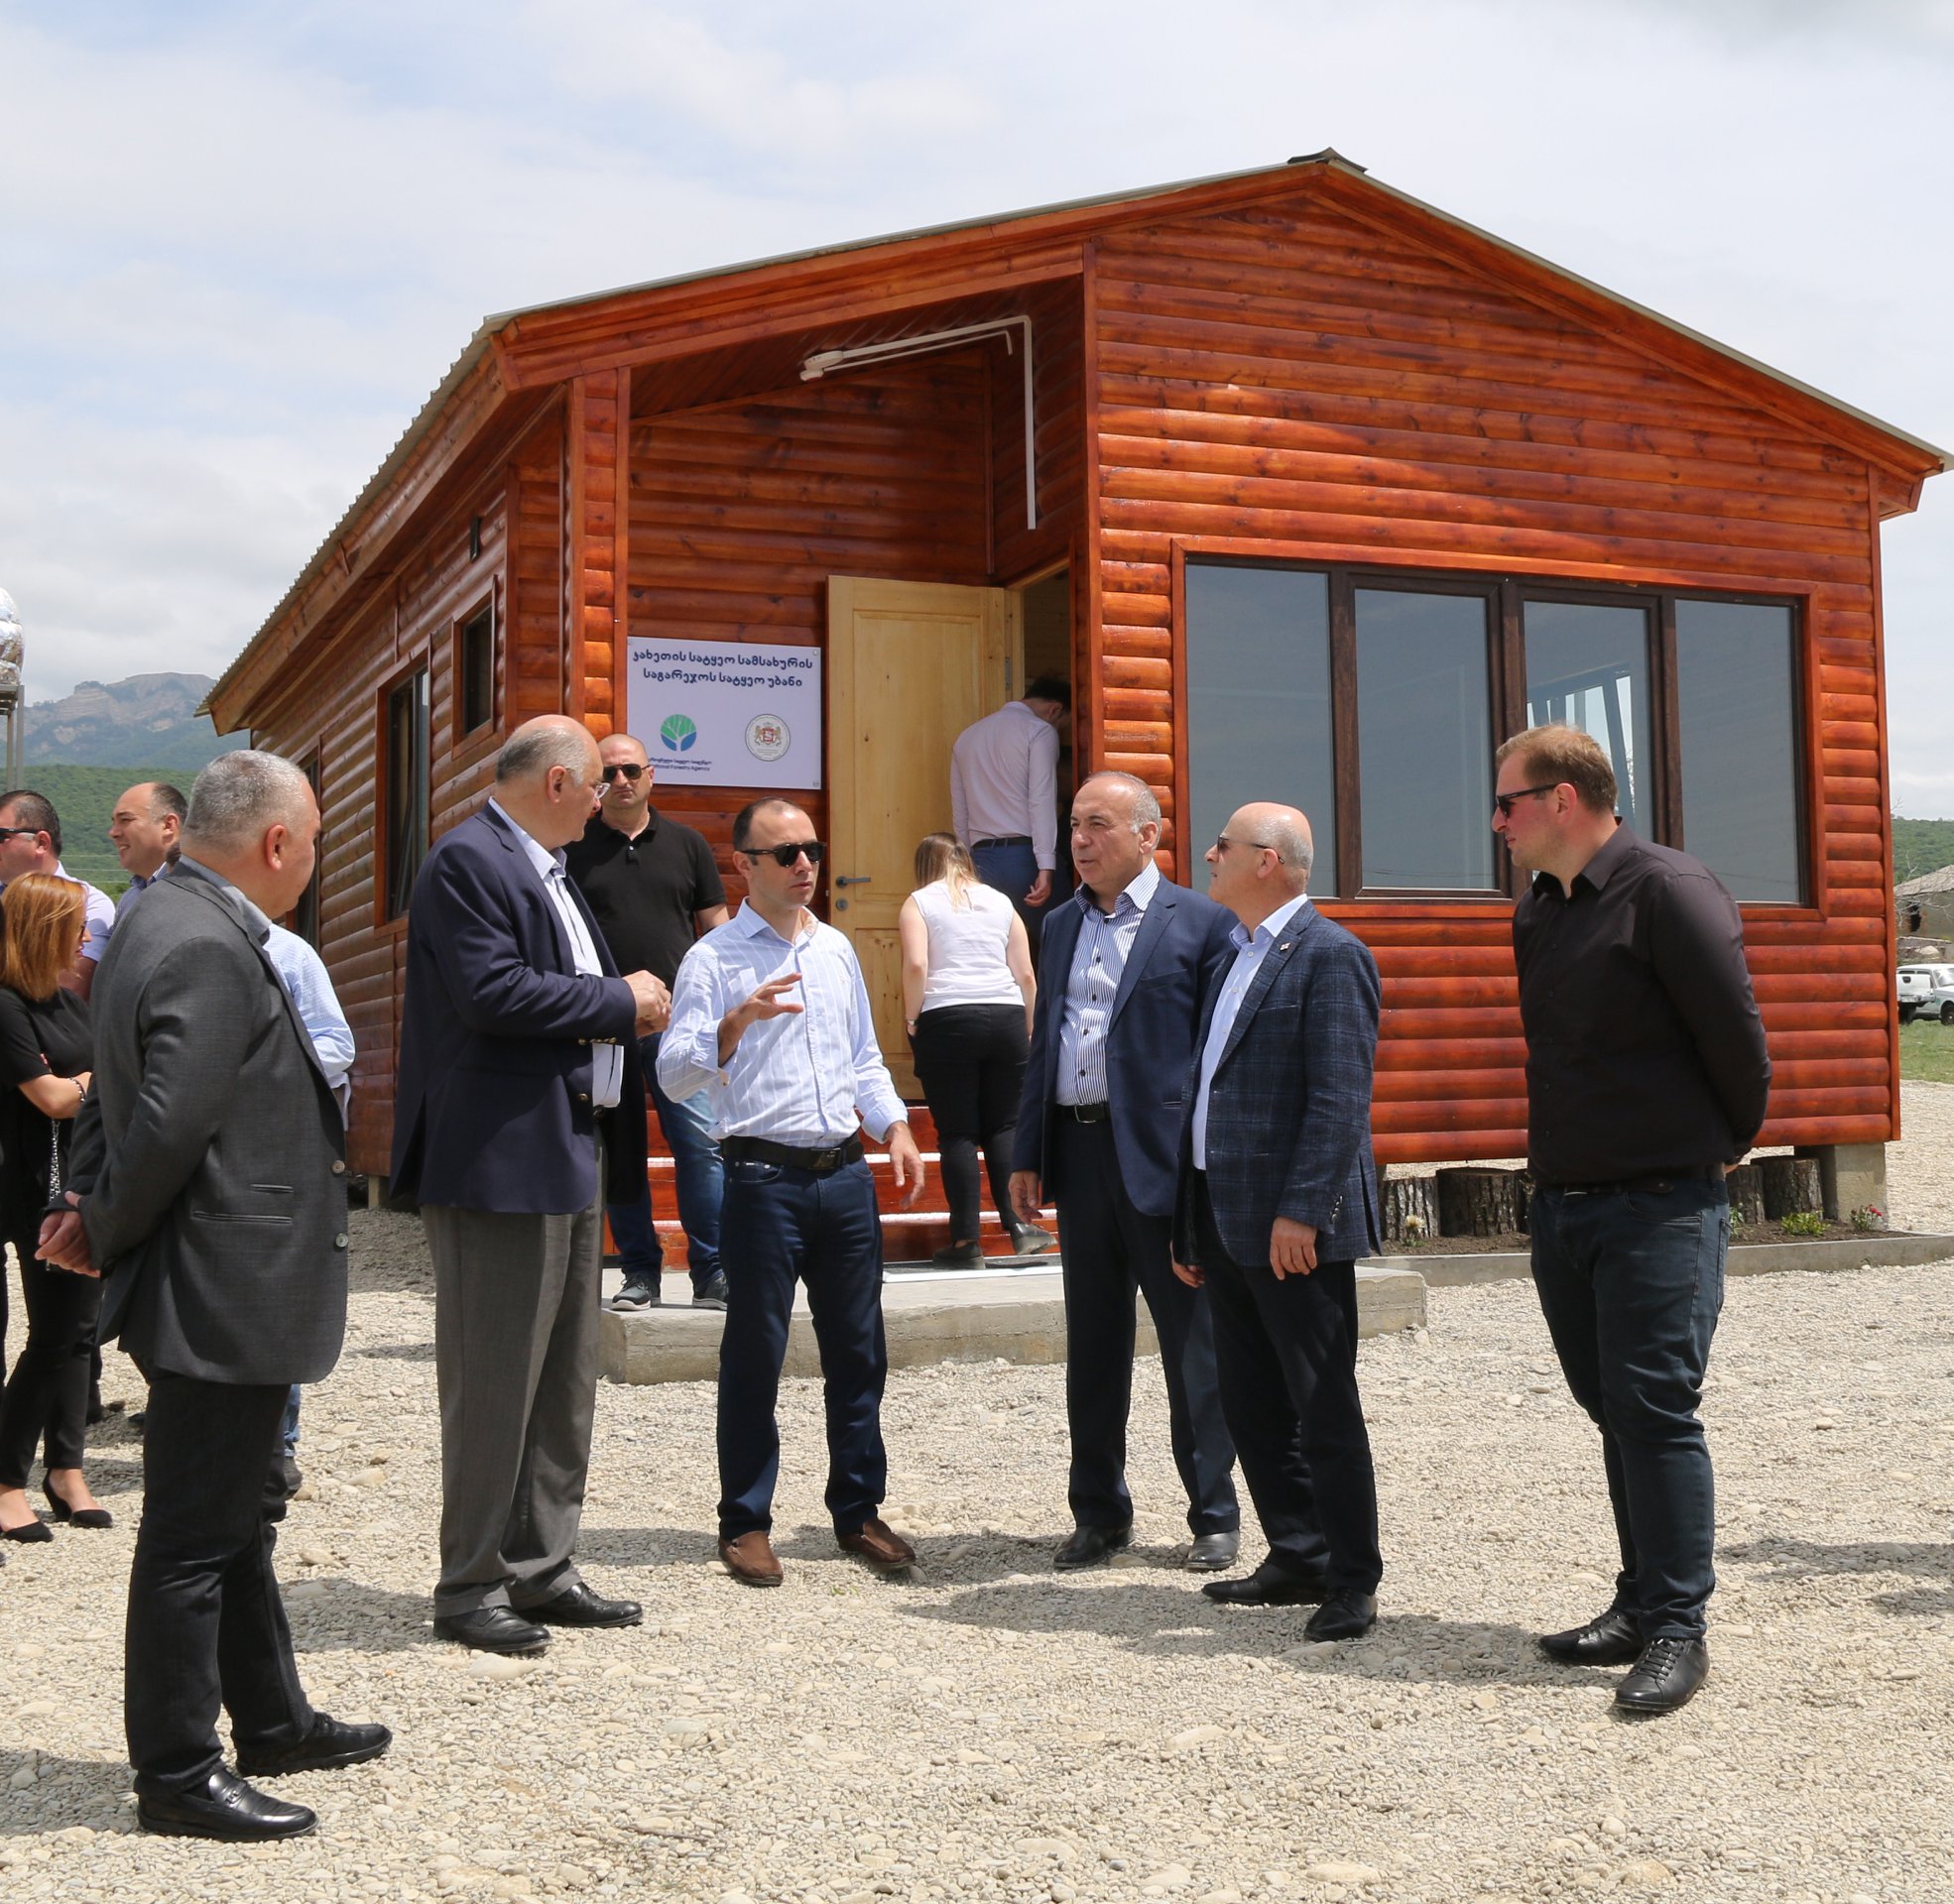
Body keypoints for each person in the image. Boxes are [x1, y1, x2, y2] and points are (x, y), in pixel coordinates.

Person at [39, 750, 388, 1843]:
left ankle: (272, 1719)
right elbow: (169, 1120)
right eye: (316, 840)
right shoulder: (204, 939)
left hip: (210, 1272)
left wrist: (90, 1204)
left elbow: (118, 1094)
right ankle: (180, 1772)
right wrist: (102, 1220)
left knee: (235, 1517)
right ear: (277, 843)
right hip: (222, 1278)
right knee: (194, 1537)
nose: (317, 858)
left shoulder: (159, 914)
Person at [1494, 723, 1770, 1717]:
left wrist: (1724, 1139)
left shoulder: (1667, 891)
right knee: (1609, 1404)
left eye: (1507, 803)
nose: (1498, 823)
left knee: (1653, 1408)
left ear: (1561, 800)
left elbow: (1735, 1037)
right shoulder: (1539, 909)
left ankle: (1677, 1629)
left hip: (1659, 1205)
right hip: (1565, 1205)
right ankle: (1640, 1599)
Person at [392, 716, 667, 1657]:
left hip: (566, 1144)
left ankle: (541, 1567)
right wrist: (622, 1000)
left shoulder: (545, 867)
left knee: (561, 1377)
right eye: (596, 785)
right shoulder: (470, 861)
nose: (604, 801)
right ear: (557, 782)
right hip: (498, 1158)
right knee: (494, 1382)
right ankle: (469, 1586)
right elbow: (494, 992)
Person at [659, 798, 925, 1588]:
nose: (805, 864)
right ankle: (745, 1521)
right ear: (744, 865)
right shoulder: (713, 960)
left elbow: (864, 1058)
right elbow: (672, 1074)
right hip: (761, 1179)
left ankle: (858, 1511)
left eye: (812, 848)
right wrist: (732, 1027)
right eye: (786, 854)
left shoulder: (836, 949)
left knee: (859, 1351)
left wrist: (894, 1126)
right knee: (755, 1352)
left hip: (843, 1175)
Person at [1008, 771, 1242, 1572]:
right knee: (1094, 1344)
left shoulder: (1201, 923)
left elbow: (1216, 1056)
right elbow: (1047, 1039)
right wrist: (1028, 1152)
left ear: (1148, 835)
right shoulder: (1059, 924)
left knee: (1192, 1347)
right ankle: (1099, 1513)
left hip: (1163, 1163)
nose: (1080, 840)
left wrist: (1205, 1171)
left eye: (1097, 825)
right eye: (1074, 825)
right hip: (1078, 1155)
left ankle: (1214, 1513)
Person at [1171, 805, 1385, 1642]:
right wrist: (1190, 1221)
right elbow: (1209, 1093)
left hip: (1291, 1227)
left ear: (1266, 861)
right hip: (1225, 1217)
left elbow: (1339, 1098)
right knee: (1252, 1402)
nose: (1208, 855)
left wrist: (1303, 1210)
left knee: (1321, 1404)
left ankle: (1353, 1578)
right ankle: (1298, 1552)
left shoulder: (1331, 955)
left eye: (1222, 845)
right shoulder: (1236, 953)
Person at [565, 730, 730, 1311]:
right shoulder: (574, 848)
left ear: (650, 775)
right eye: (608, 772)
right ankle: (639, 1272)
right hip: (604, 1026)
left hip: (679, 1028)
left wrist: (723, 1014)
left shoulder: (687, 844)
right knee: (622, 1151)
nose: (621, 781)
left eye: (631, 770)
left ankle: (712, 1272)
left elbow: (718, 930)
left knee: (701, 1147)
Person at [0, 875, 107, 1541]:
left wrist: (81, 1084)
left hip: (74, 1182)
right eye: (77, 926)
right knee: (51, 1337)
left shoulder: (66, 1003)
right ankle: (7, 1481)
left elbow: (73, 1089)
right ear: (45, 932)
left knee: (78, 1333)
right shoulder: (7, 1005)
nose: (87, 937)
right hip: (26, 1186)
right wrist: (95, 1081)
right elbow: (51, 1098)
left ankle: (66, 1471)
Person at [899, 832, 1048, 1266]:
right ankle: (1019, 1226)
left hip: (947, 1018)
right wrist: (1030, 1027)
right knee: (1005, 1126)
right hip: (1006, 1017)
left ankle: (966, 1242)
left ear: (924, 865)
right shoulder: (1001, 902)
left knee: (958, 1133)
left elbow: (917, 964)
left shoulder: (919, 902)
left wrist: (912, 1018)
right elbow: (1026, 974)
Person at [263, 919, 357, 1499]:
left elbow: (336, 1044)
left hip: (275, 1148)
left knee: (275, 1297)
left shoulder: (288, 952)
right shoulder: (158, 931)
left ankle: (280, 1444)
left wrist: (256, 1073)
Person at [949, 678, 1069, 950]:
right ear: (1055, 710)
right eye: (1062, 725)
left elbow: (960, 812)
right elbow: (1041, 800)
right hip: (1025, 858)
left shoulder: (966, 737)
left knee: (993, 951)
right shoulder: (1039, 731)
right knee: (1062, 945)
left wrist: (966, 866)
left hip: (981, 861)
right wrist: (1046, 866)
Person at [0, 789, 115, 998]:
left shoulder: (88, 903)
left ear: (41, 842)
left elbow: (70, 987)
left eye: (1, 837)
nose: (85, 937)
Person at [110, 781, 186, 912]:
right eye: (114, 823)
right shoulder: (130, 898)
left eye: (125, 820)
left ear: (168, 825)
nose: (113, 833)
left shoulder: (193, 889)